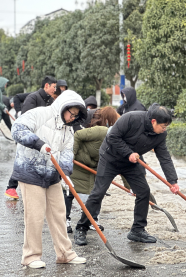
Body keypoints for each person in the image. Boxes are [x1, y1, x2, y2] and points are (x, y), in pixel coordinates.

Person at [74, 103, 179, 246]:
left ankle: (137, 230)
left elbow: (164, 156)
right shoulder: (131, 118)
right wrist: (128, 153)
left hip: (131, 163)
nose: (164, 130)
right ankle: (82, 228)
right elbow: (112, 137)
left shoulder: (160, 134)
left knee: (143, 191)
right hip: (110, 158)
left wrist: (172, 181)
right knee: (98, 192)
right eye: (163, 126)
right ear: (153, 121)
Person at [11, 90, 88, 269]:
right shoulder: (40, 114)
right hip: (30, 171)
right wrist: (38, 144)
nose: (72, 118)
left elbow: (68, 152)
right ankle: (31, 257)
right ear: (63, 107)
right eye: (71, 113)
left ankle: (65, 253)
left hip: (52, 174)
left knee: (59, 214)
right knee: (35, 215)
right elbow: (17, 129)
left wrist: (66, 174)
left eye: (76, 115)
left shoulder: (69, 129)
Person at [65, 106, 120, 233]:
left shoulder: (111, 134)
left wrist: (130, 186)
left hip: (93, 166)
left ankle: (92, 220)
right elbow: (77, 136)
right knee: (70, 191)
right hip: (78, 162)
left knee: (96, 192)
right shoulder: (98, 130)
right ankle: (65, 220)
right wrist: (71, 157)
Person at [5, 76, 57, 199]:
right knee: (24, 162)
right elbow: (26, 117)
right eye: (54, 87)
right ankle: (11, 188)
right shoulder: (33, 98)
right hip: (30, 137)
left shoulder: (51, 101)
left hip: (44, 138)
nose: (55, 90)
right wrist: (18, 112)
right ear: (46, 86)